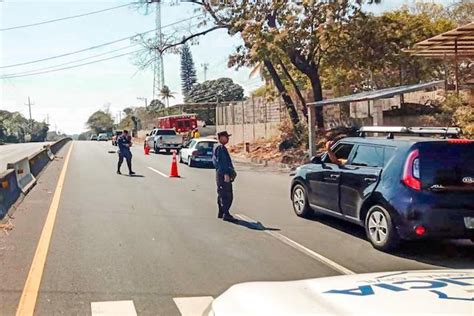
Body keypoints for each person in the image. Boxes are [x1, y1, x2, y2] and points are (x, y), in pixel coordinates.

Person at [212, 131, 236, 221]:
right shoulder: (220, 148)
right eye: (227, 137)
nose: (228, 139)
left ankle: (221, 212)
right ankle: (226, 214)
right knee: (227, 195)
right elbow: (222, 162)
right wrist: (226, 173)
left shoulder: (217, 147)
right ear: (221, 137)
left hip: (220, 173)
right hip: (223, 174)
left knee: (221, 193)